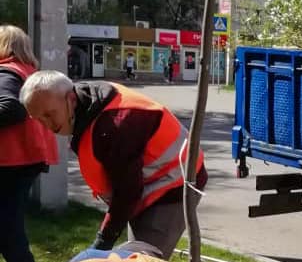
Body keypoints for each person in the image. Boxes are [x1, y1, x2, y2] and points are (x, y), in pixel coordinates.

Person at [20, 71, 207, 259]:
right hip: (150, 185)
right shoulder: (85, 102)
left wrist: (103, 241)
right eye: (39, 120)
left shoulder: (114, 125)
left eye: (49, 114)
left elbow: (127, 192)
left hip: (174, 186)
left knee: (144, 257)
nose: (47, 125)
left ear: (71, 99)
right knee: (134, 253)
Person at [0, 25, 58, 262]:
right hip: (26, 159)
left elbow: (11, 107)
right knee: (8, 225)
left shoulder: (6, 73)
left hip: (9, 161)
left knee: (8, 231)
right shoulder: (28, 72)